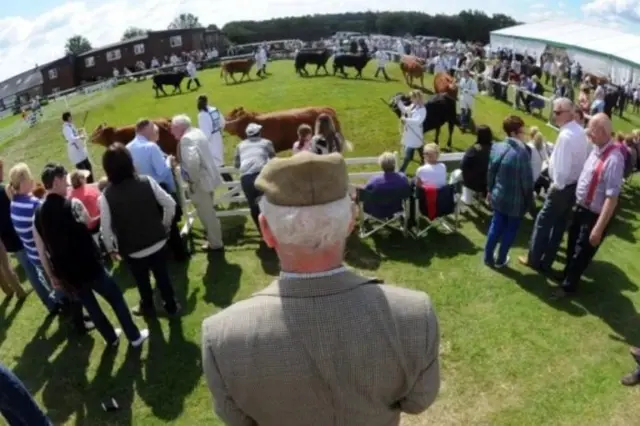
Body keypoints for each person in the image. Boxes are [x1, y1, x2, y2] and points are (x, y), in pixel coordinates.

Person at [201, 152, 440, 425]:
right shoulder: (414, 315)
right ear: (352, 220)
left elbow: (238, 420)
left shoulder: (221, 336)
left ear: (265, 229)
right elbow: (418, 401)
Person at [33, 163, 149, 346]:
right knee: (116, 297)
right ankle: (134, 337)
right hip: (89, 265)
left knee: (91, 306)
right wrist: (105, 211)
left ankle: (111, 338)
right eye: (64, 180)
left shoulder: (38, 213)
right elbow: (91, 225)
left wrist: (52, 275)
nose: (68, 185)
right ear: (56, 181)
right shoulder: (73, 204)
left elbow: (42, 249)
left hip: (68, 274)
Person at [100, 143, 180, 317]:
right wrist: (164, 226)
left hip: (133, 250)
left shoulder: (106, 195)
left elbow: (105, 229)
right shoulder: (146, 181)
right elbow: (170, 204)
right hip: (157, 241)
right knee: (163, 276)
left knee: (141, 281)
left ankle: (148, 306)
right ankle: (171, 306)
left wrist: (111, 248)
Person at [554, 113, 624, 298]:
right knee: (571, 245)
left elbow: (612, 198)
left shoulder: (614, 159)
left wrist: (598, 229)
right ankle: (566, 275)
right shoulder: (596, 148)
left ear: (601, 132)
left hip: (594, 215)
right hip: (581, 208)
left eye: (591, 131)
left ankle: (568, 287)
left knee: (581, 253)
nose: (588, 135)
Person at [519, 98, 590, 273]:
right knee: (559, 226)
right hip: (573, 186)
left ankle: (534, 259)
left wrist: (555, 186)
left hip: (561, 187)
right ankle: (547, 262)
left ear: (569, 113)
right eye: (555, 111)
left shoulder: (566, 136)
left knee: (543, 222)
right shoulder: (580, 131)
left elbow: (563, 169)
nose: (554, 115)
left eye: (558, 112)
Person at [127, 119, 188, 261]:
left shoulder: (128, 148)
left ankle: (161, 253)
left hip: (140, 190)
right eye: (155, 131)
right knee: (170, 223)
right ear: (147, 131)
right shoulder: (151, 147)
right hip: (159, 187)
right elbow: (161, 172)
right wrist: (169, 162)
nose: (156, 134)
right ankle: (179, 254)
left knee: (153, 223)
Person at [8, 163, 65, 313]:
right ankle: (70, 310)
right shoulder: (33, 204)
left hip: (33, 256)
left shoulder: (14, 204)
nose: (33, 180)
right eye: (29, 177)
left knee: (52, 282)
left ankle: (62, 307)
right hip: (45, 255)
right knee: (62, 285)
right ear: (23, 183)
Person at [484, 115, 534, 268]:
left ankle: (488, 257)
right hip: (516, 201)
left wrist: (490, 190)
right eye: (522, 132)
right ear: (513, 133)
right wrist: (529, 200)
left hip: (499, 195)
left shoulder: (496, 146)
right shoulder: (523, 153)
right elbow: (527, 182)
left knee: (495, 226)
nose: (524, 135)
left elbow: (491, 173)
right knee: (510, 230)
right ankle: (501, 259)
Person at [170, 114, 224, 251]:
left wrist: (191, 180)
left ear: (180, 127)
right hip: (209, 179)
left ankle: (216, 243)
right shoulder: (197, 132)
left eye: (173, 128)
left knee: (207, 215)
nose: (171, 132)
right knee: (209, 212)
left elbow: (192, 163)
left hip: (200, 183)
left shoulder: (186, 139)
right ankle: (213, 239)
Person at [234, 123, 276, 232]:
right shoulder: (266, 142)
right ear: (259, 133)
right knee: (266, 204)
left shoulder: (240, 145)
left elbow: (236, 165)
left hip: (246, 177)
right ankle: (271, 229)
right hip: (261, 175)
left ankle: (261, 231)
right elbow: (273, 159)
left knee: (253, 205)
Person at [0, 159, 29, 299]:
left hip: (4, 233)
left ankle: (8, 290)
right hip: (12, 229)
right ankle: (19, 291)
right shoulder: (4, 188)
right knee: (7, 264)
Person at [363, 151, 411, 218]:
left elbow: (365, 194)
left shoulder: (374, 181)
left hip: (376, 210)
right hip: (396, 209)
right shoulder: (402, 178)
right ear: (394, 164)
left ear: (381, 165)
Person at [196, 95, 230, 182]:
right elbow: (223, 123)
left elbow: (206, 133)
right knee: (219, 162)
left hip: (210, 141)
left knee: (217, 164)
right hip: (218, 137)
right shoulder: (214, 109)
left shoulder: (202, 115)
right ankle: (230, 186)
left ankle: (230, 185)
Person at [460, 125, 493, 202]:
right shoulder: (495, 148)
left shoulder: (474, 149)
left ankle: (466, 199)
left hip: (473, 183)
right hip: (489, 182)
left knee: (456, 175)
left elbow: (463, 165)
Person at [396, 90, 427, 173]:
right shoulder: (413, 105)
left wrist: (406, 120)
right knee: (421, 151)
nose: (411, 100)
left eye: (412, 98)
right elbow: (405, 109)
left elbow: (418, 120)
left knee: (408, 155)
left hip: (415, 133)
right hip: (410, 133)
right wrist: (399, 102)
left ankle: (401, 171)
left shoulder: (422, 109)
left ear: (417, 98)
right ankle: (426, 165)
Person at [61, 112, 94, 183]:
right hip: (75, 152)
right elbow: (71, 138)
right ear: (68, 117)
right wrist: (80, 136)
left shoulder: (71, 125)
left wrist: (79, 132)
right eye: (70, 116)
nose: (72, 118)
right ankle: (86, 185)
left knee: (89, 167)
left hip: (80, 150)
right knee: (83, 171)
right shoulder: (66, 128)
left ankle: (92, 183)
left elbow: (75, 134)